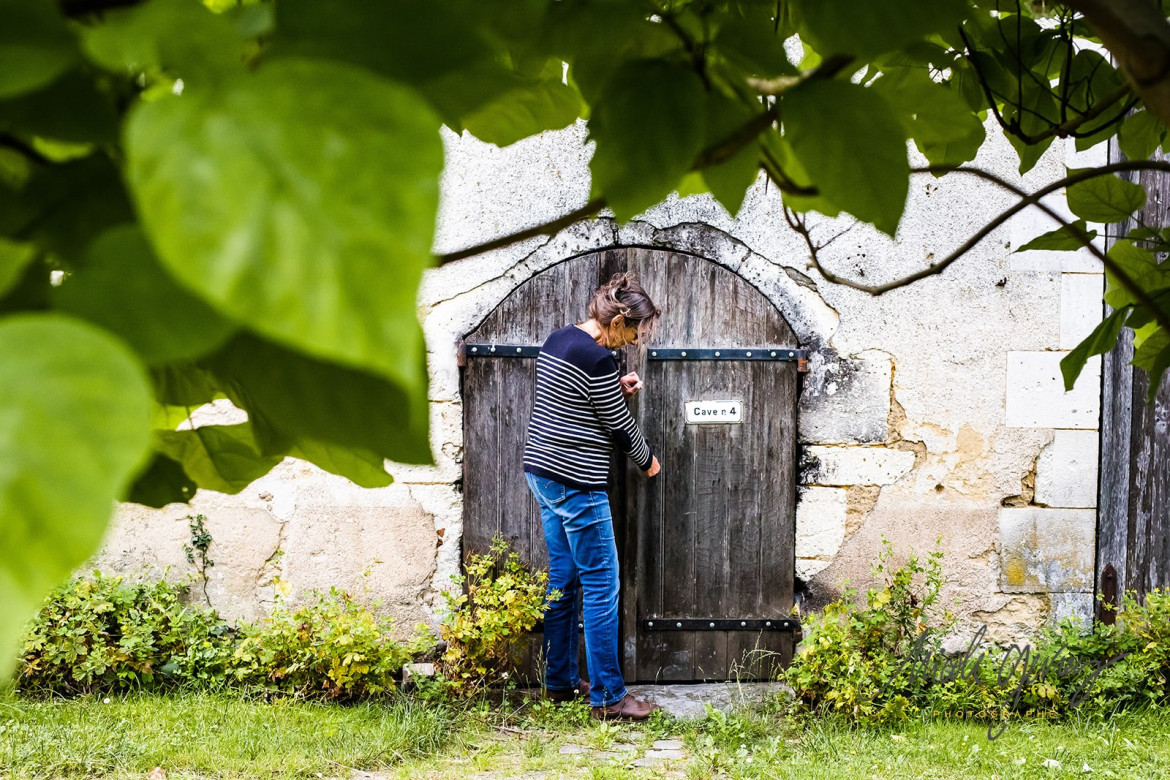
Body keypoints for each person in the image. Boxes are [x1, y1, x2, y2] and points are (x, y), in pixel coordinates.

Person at [523, 272, 662, 721]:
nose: (634, 341)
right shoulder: (600, 360)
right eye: (634, 332)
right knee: (602, 585)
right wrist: (649, 461)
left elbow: (571, 400)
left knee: (563, 578)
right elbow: (619, 425)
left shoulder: (559, 340)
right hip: (576, 484)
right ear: (618, 319)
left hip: (541, 473)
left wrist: (614, 388)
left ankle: (560, 683)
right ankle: (608, 697)